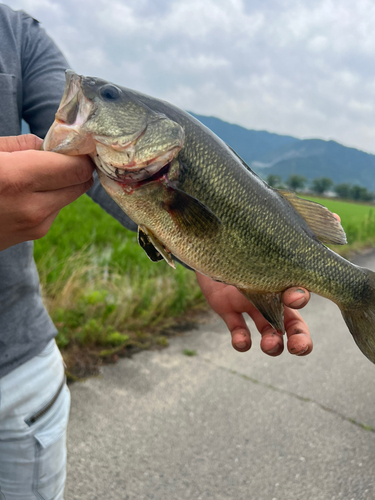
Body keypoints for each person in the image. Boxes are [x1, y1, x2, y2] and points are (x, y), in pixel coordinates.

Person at [0, 4, 312, 498]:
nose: (87, 92)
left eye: (109, 95)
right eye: (105, 95)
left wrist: (208, 259)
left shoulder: (17, 33)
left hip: (15, 378)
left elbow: (91, 163)